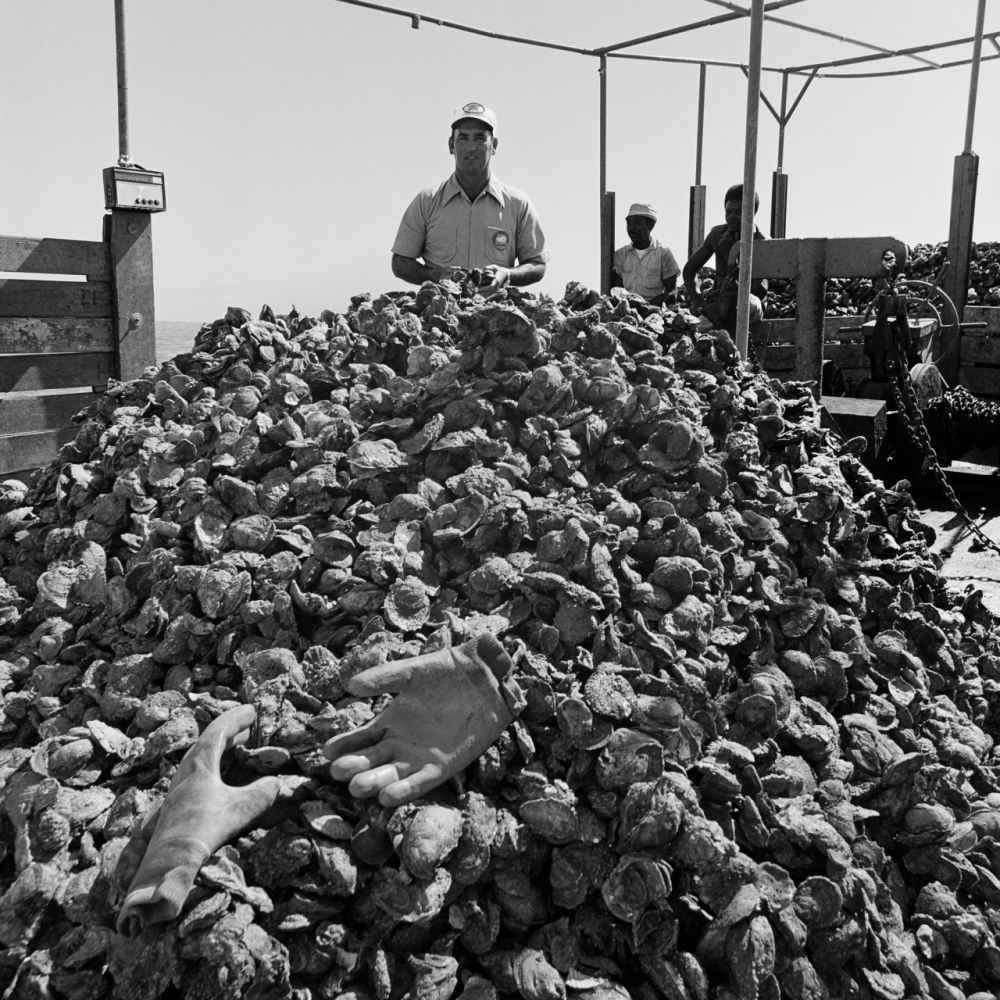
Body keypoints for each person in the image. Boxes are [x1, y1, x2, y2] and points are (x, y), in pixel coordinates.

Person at [391, 102, 548, 296]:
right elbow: (400, 262)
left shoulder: (518, 205)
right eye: (463, 137)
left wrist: (505, 275)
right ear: (451, 145)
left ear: (494, 146)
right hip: (441, 320)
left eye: (480, 138)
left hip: (497, 317)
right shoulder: (426, 202)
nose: (471, 146)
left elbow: (537, 264)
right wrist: (437, 275)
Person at [682, 183, 767, 335]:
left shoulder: (761, 243)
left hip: (750, 304)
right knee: (693, 330)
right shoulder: (716, 235)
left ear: (751, 212)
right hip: (718, 306)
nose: (732, 217)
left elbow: (757, 288)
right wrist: (698, 301)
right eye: (728, 212)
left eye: (739, 212)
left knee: (738, 302)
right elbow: (689, 269)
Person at [610, 202, 680, 305]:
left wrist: (646, 306)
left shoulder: (664, 252)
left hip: (655, 314)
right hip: (627, 312)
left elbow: (672, 293)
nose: (631, 228)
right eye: (629, 223)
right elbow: (616, 291)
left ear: (650, 225)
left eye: (637, 223)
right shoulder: (621, 255)